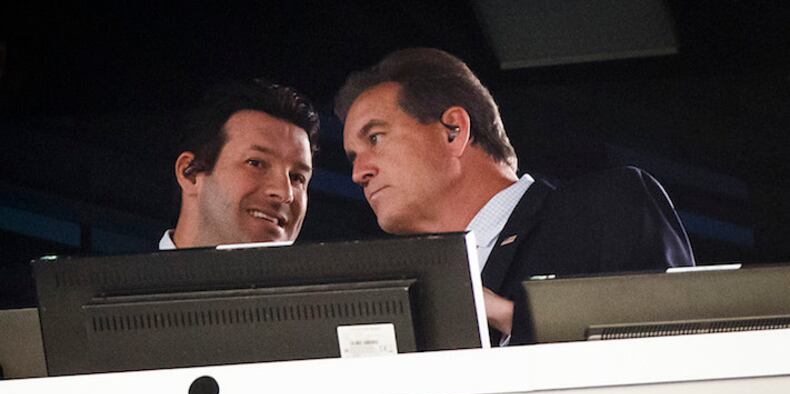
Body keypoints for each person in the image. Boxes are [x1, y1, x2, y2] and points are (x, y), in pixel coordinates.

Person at [335, 48, 695, 345]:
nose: (358, 173)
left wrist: (509, 316)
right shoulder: (404, 294)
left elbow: (674, 341)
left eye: (375, 139)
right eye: (352, 157)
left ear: (453, 131)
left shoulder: (605, 207)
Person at [161, 79, 319, 249]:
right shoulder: (131, 275)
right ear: (189, 173)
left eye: (297, 178)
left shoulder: (338, 275)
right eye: (256, 163)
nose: (284, 193)